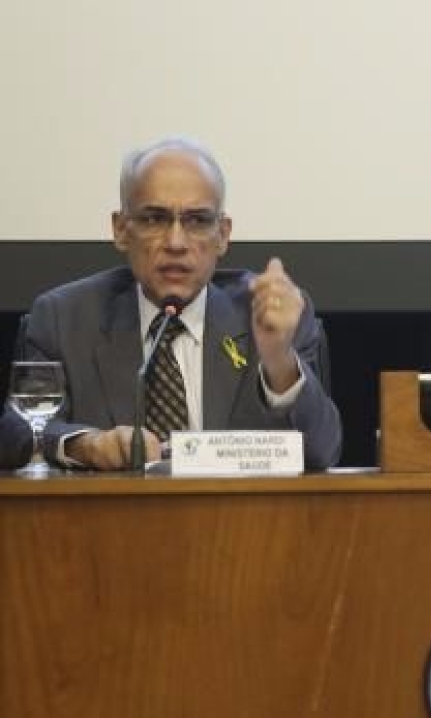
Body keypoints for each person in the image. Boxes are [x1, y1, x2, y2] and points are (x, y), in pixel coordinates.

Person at [22, 137, 342, 470]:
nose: (176, 242)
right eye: (153, 219)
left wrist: (279, 360)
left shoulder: (265, 315)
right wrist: (86, 445)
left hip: (238, 522)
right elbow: (18, 432)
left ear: (223, 235)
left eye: (197, 221)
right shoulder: (65, 317)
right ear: (120, 230)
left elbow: (322, 452)